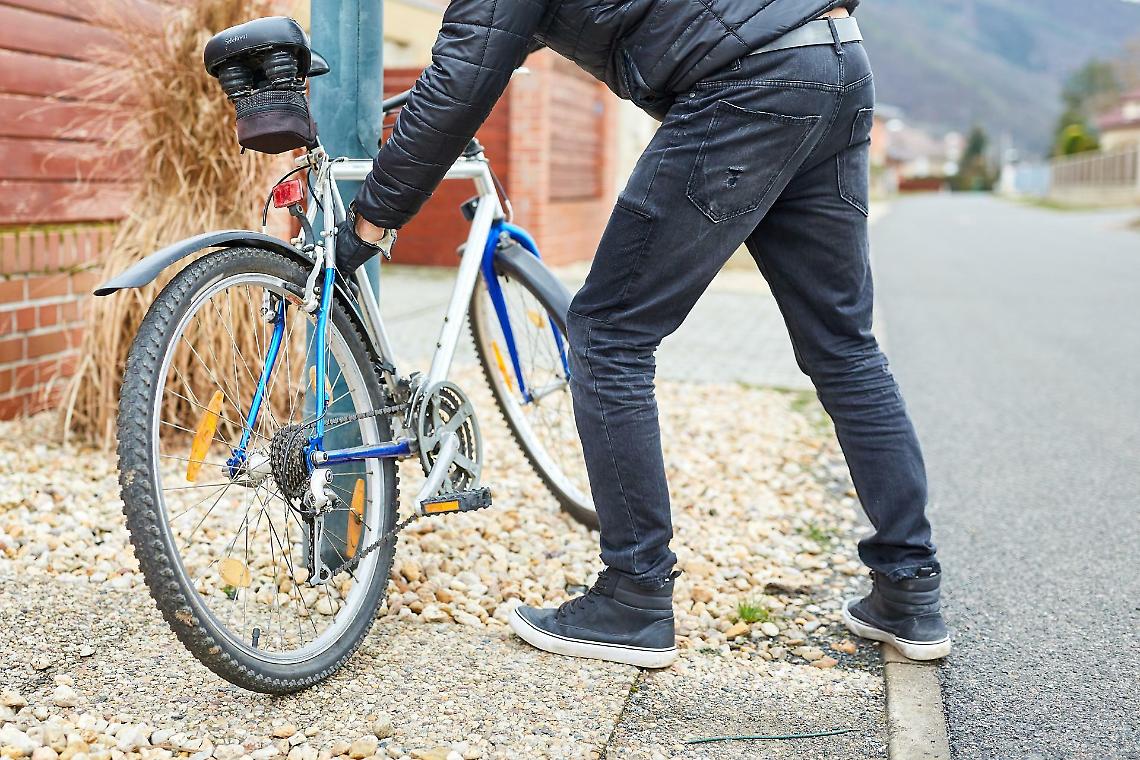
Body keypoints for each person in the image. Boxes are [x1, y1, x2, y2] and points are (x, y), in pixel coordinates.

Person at [334, 0, 950, 667]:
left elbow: (461, 83)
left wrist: (368, 222)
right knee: (844, 344)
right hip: (833, 54)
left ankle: (634, 596)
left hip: (747, 82)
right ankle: (909, 588)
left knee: (607, 333)